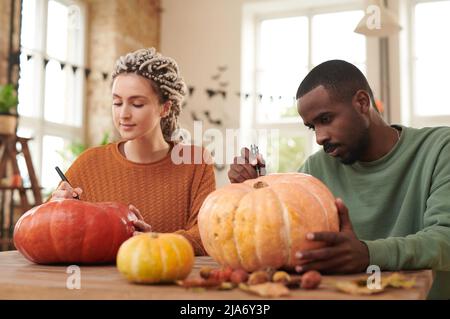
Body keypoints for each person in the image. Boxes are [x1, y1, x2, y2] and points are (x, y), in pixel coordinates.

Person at [228, 60, 450, 299]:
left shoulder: (440, 149)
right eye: (312, 127)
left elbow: (444, 239)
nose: (320, 138)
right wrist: (253, 191)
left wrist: (367, 254)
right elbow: (283, 236)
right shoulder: (315, 168)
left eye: (326, 119)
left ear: (362, 103)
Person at [51, 48, 216, 255]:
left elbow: (206, 235)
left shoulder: (195, 163)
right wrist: (56, 209)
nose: (124, 114)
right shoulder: (89, 163)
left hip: (172, 282)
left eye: (137, 104)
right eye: (117, 103)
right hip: (99, 285)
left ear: (165, 108)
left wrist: (154, 242)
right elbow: (51, 235)